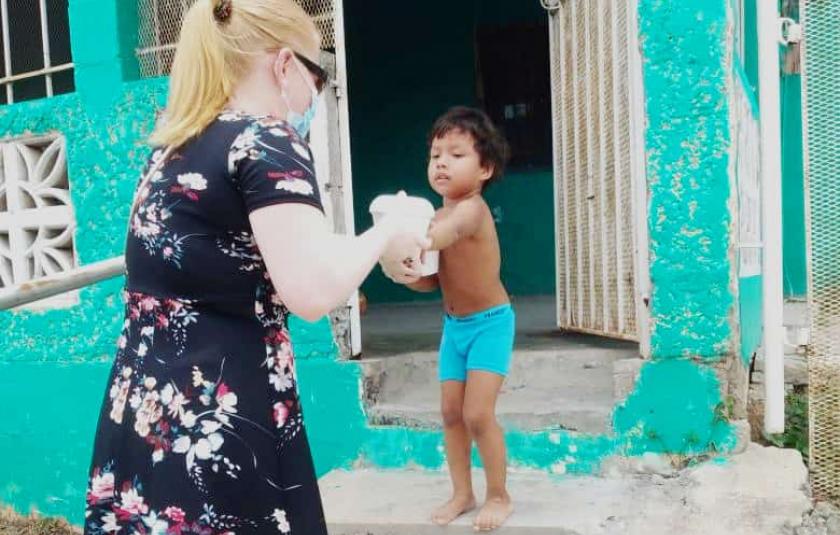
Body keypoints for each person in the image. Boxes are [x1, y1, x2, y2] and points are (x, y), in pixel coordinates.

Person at [84, 1, 425, 533]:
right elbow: (309, 292)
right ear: (285, 64)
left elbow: (264, 254)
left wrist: (366, 245)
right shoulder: (267, 140)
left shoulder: (173, 148)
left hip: (145, 416)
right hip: (220, 421)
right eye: (319, 73)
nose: (316, 92)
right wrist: (386, 232)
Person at [384, 106, 515, 531]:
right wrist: (404, 272)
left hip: (491, 324)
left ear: (485, 169)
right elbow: (431, 282)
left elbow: (448, 233)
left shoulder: (470, 210)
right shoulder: (434, 218)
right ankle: (462, 492)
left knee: (478, 414)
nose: (441, 162)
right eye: (436, 153)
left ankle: (499, 495)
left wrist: (410, 236)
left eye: (456, 154)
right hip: (454, 329)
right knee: (450, 412)